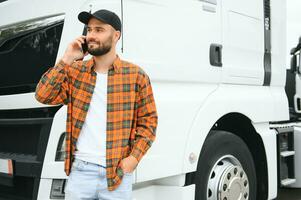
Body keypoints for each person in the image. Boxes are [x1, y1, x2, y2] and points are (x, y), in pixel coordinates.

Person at [35, 9, 158, 200]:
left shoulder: (136, 76)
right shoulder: (75, 71)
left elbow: (149, 122)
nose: (91, 35)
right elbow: (43, 96)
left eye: (99, 30)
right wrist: (67, 58)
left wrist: (133, 159)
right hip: (80, 172)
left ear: (116, 35)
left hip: (117, 174)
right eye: (89, 29)